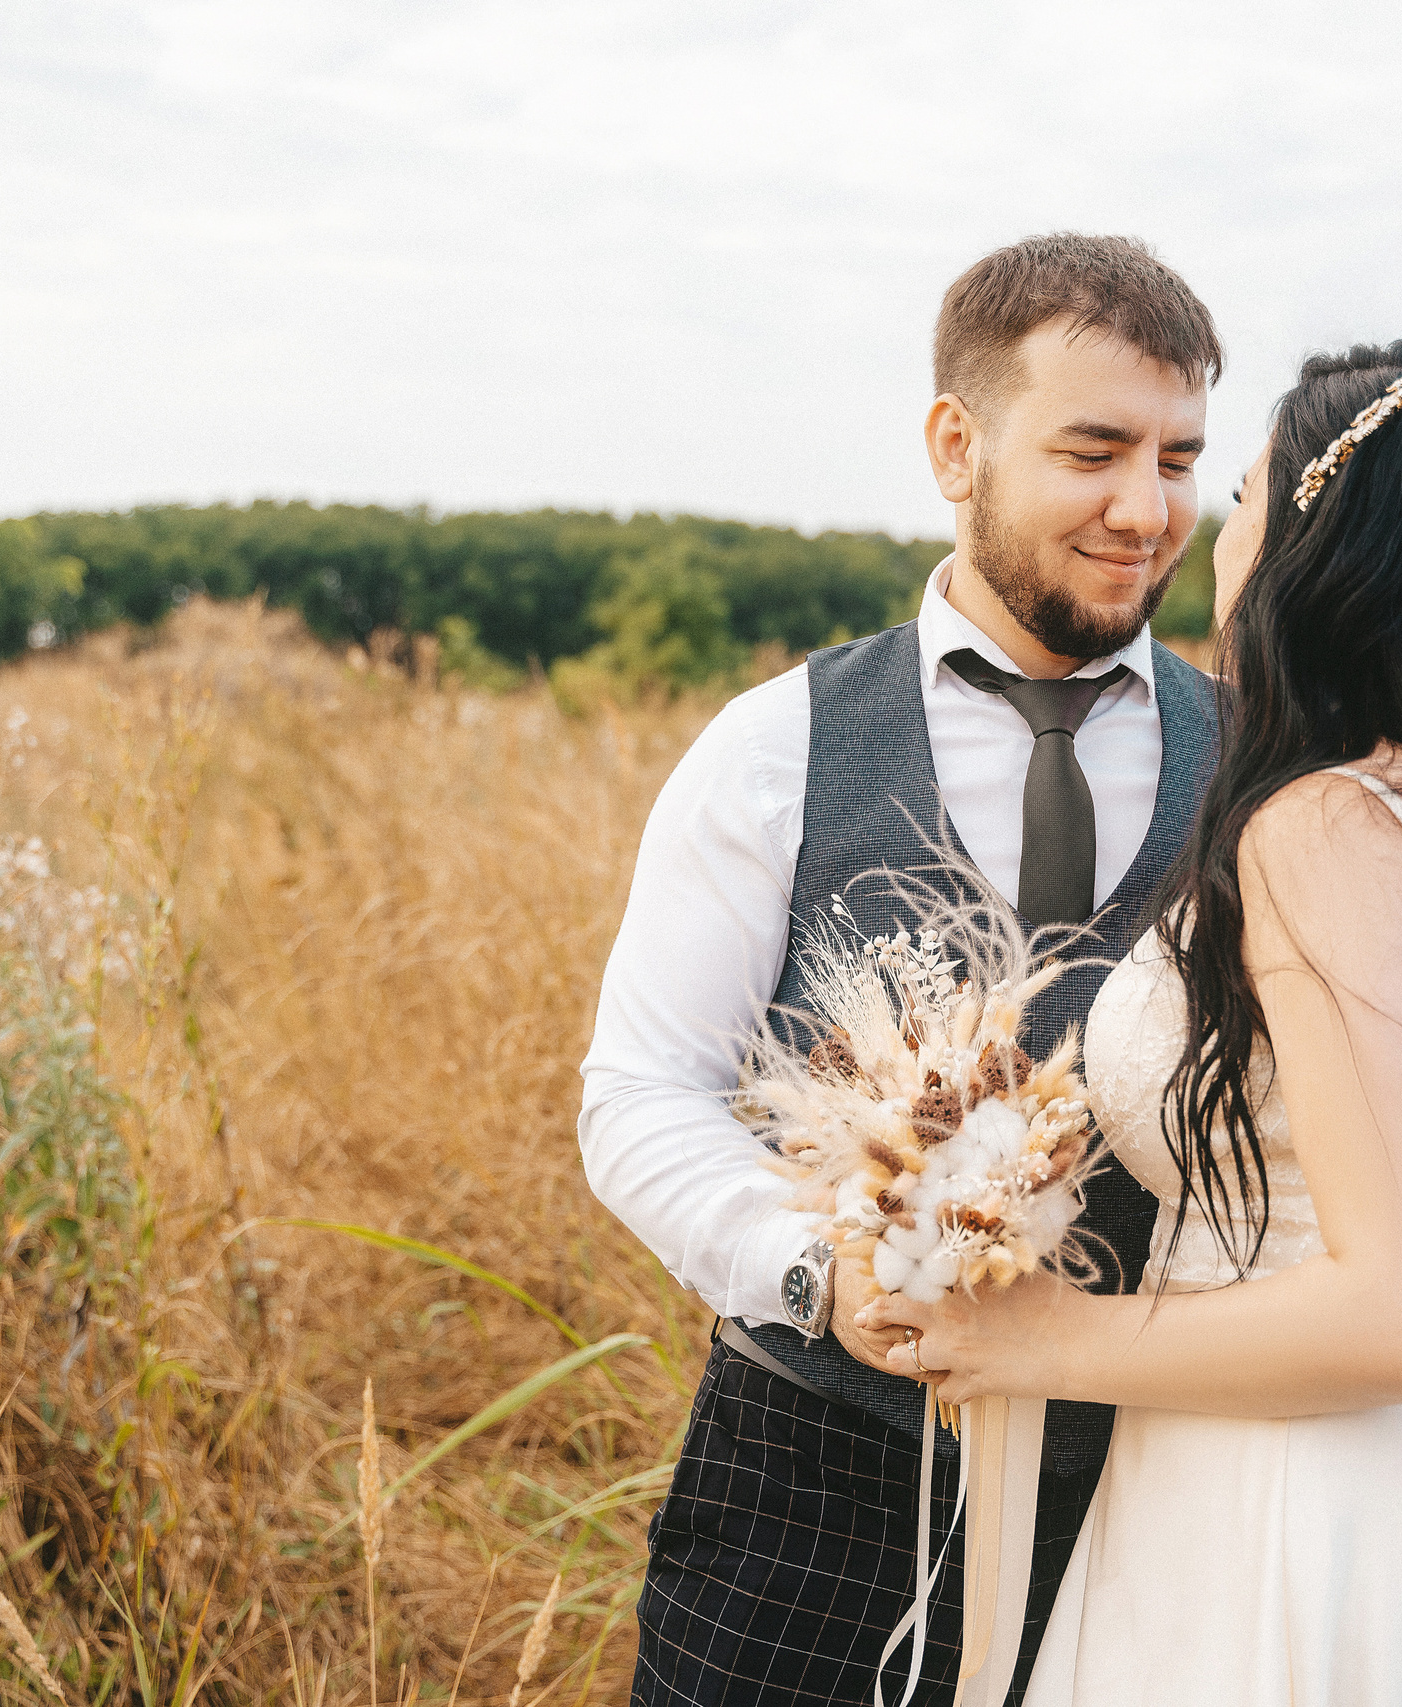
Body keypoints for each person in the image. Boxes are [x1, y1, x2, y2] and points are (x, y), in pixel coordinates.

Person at [866, 342, 1402, 1705]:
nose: (1213, 533)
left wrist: (1038, 1336)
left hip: (1309, 1507)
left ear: (1330, 548)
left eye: (1248, 490)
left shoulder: (1325, 829)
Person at [578, 233, 1226, 1706]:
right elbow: (639, 1094)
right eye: (1095, 450)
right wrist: (826, 1276)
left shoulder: (1263, 770)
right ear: (957, 443)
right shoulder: (774, 747)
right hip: (807, 1501)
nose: (1148, 509)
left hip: (1158, 1505)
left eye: (1181, 458)